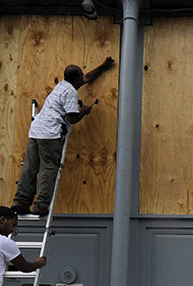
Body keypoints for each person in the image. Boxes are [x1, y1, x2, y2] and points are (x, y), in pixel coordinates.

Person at [12, 57, 115, 216]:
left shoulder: (62, 85)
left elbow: (87, 78)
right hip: (50, 134)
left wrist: (103, 66)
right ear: (76, 79)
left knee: (30, 166)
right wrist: (84, 112)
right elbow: (72, 117)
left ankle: (20, 201)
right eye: (80, 75)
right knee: (49, 167)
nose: (83, 78)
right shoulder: (71, 93)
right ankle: (41, 205)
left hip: (36, 130)